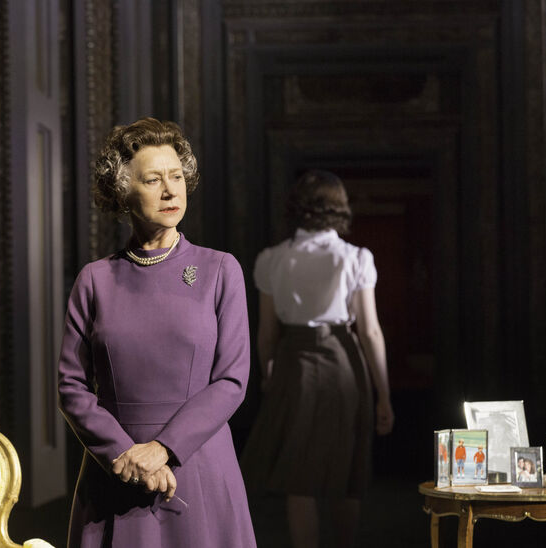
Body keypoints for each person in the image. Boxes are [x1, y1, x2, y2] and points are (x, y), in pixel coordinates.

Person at [58, 117, 256, 547]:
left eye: (177, 177)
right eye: (153, 179)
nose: (170, 190)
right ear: (122, 191)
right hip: (117, 469)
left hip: (197, 463)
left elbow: (232, 379)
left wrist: (163, 449)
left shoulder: (220, 270)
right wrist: (125, 454)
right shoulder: (95, 279)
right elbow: (71, 387)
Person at [239, 169, 394, 548]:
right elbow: (370, 331)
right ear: (338, 208)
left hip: (294, 363)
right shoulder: (355, 257)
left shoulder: (272, 259)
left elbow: (267, 331)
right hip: (344, 363)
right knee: (346, 471)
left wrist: (268, 371)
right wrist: (384, 395)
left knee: (298, 474)